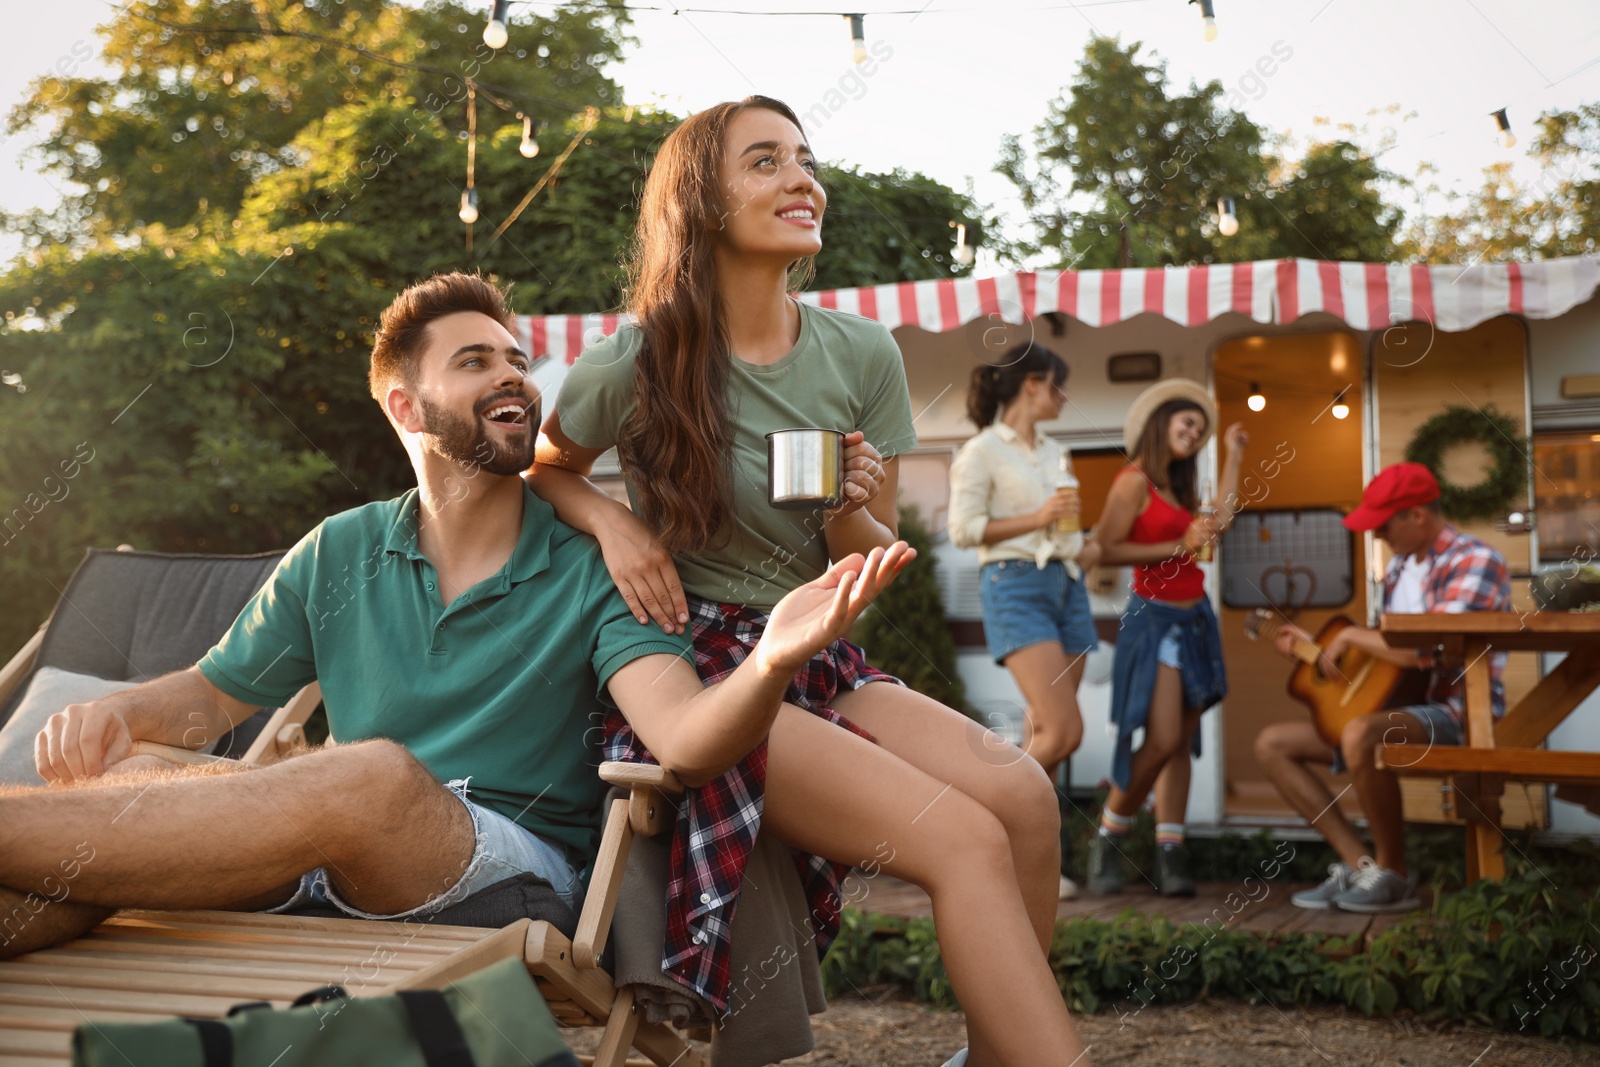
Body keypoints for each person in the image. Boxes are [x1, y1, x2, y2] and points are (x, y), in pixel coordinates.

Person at [1, 272, 909, 965]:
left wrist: (769, 662)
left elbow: (685, 739)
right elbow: (209, 699)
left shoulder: (597, 564)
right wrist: (123, 716)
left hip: (506, 874)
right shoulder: (340, 549)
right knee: (128, 780)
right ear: (405, 405)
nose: (513, 374)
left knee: (371, 777)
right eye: (475, 361)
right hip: (319, 858)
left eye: (517, 358)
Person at [527, 96, 1087, 1064]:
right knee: (961, 839)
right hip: (705, 665)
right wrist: (613, 519)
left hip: (819, 653)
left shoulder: (859, 352)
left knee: (1025, 796)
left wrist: (848, 509)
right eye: (765, 161)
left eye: (805, 157)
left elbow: (864, 552)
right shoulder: (638, 357)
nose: (801, 179)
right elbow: (545, 470)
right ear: (701, 202)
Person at [1256, 462, 1511, 912]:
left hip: (1456, 714)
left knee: (1359, 733)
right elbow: (1386, 663)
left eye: (1383, 524)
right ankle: (1365, 868)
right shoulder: (1397, 570)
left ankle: (1396, 874)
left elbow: (1433, 652)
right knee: (1272, 744)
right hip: (1400, 709)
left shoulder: (1476, 561)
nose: (1376, 536)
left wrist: (1349, 636)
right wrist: (1317, 651)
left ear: (1417, 515)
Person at [948, 341, 1102, 901]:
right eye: (1058, 384)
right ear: (1032, 383)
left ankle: (1030, 864)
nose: (1064, 395)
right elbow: (965, 529)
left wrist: (1083, 544)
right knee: (1064, 731)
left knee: (1046, 730)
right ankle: (978, 825)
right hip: (1014, 583)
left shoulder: (1057, 451)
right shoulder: (982, 451)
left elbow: (1063, 527)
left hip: (1067, 584)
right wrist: (1036, 518)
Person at [1085, 379, 1247, 897]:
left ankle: (1170, 850)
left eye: (1200, 429)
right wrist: (1176, 545)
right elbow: (1103, 549)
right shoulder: (1134, 481)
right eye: (1187, 424)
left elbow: (1217, 522)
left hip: (1195, 617)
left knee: (1180, 742)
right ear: (1162, 425)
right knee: (1161, 738)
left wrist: (1234, 455)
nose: (1194, 432)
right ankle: (1109, 833)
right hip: (1152, 618)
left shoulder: (1182, 488)